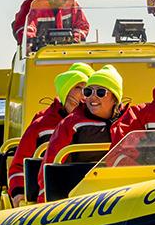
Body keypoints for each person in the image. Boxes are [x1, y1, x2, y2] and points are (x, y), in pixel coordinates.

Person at [37, 65, 131, 200]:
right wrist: (44, 202)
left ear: (115, 97)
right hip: (79, 196)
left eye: (100, 92)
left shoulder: (131, 119)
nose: (92, 97)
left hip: (122, 193)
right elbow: (50, 163)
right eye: (88, 92)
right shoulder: (70, 124)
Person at [7, 63, 94, 205]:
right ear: (65, 88)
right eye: (78, 87)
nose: (82, 95)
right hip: (51, 200)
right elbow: (19, 164)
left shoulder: (100, 123)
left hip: (91, 195)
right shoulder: (41, 124)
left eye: (87, 89)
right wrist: (19, 192)